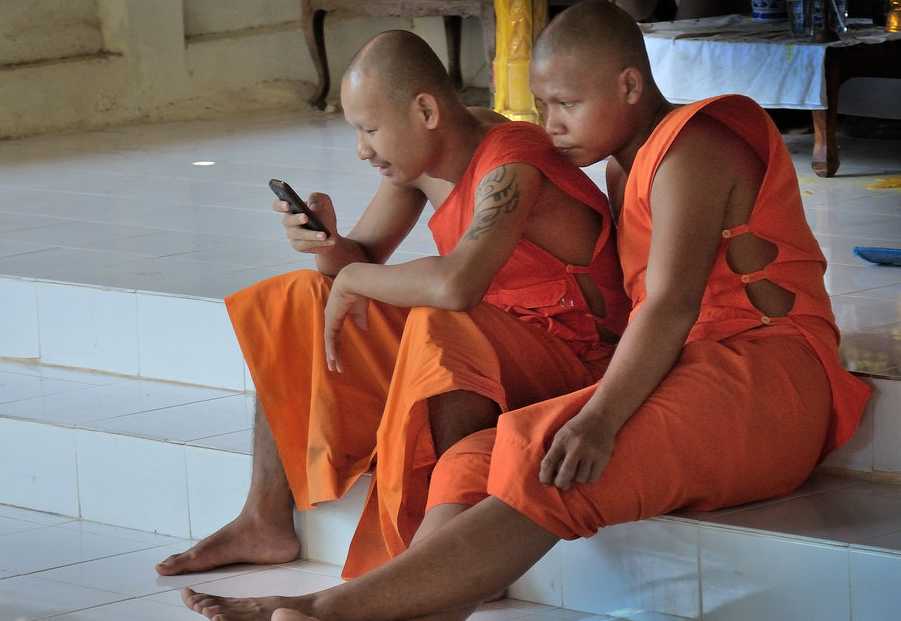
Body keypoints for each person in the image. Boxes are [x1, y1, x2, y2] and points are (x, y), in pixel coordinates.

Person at [181, 0, 871, 621]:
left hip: (771, 375)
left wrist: (599, 416)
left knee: (552, 455)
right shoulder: (621, 164)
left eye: (567, 103)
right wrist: (335, 249)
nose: (550, 126)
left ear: (630, 86)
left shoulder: (693, 143)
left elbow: (669, 306)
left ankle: (314, 610)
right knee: (478, 456)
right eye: (543, 105)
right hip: (688, 369)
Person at [156, 29, 629, 580]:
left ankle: (452, 549)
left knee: (442, 324)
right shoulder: (424, 157)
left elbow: (457, 285)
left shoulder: (510, 160)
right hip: (496, 340)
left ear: (425, 110)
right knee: (299, 299)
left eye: (370, 129)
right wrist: (328, 244)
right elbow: (355, 264)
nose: (361, 150)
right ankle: (264, 518)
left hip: (576, 361)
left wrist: (355, 275)